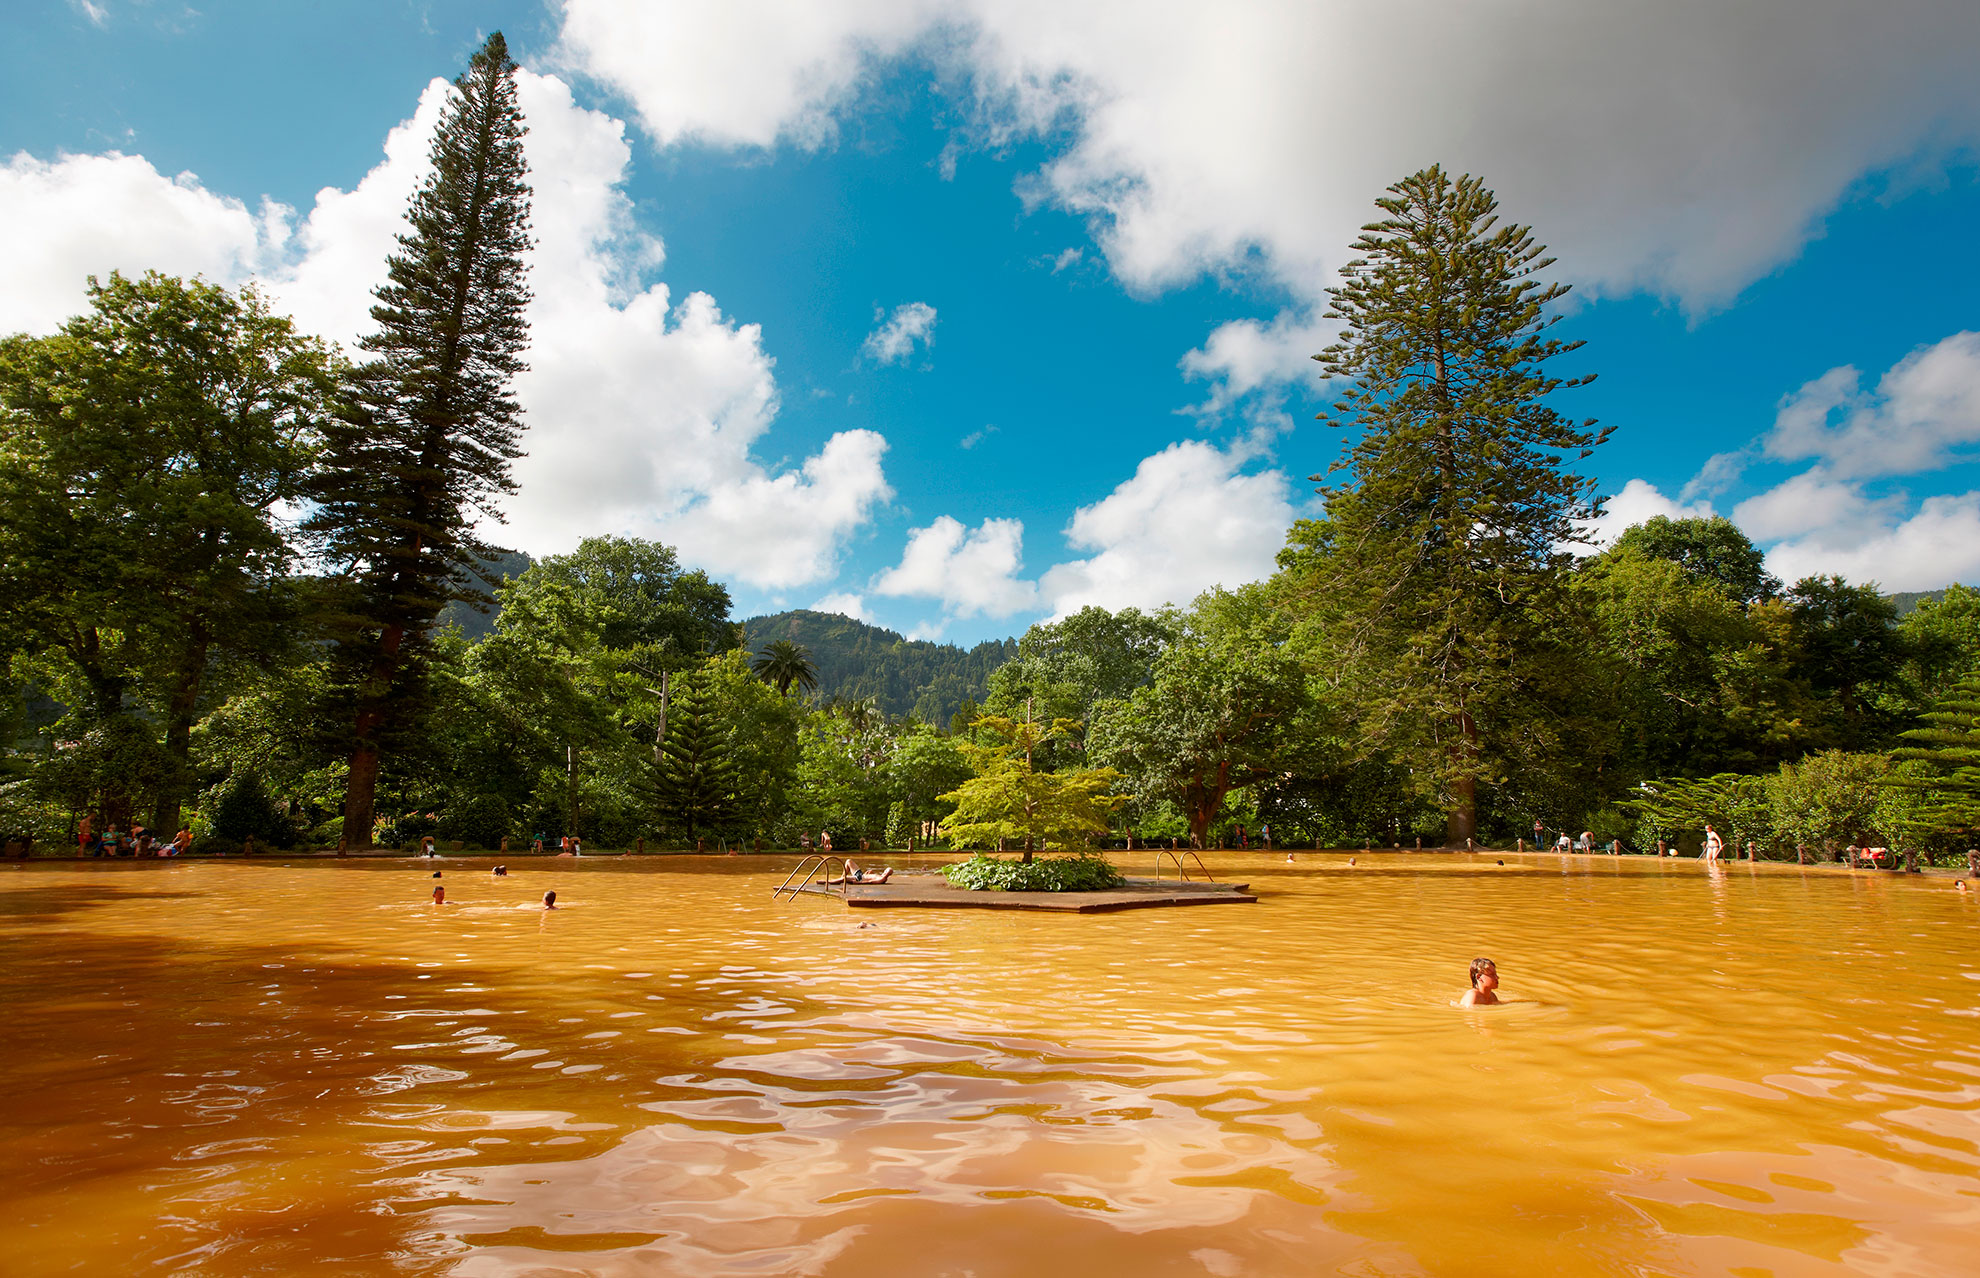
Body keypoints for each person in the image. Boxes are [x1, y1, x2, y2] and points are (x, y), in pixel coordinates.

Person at [827, 859, 892, 884]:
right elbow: (871, 879)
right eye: (886, 870)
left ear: (888, 874)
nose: (885, 872)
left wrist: (858, 883)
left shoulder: (882, 878)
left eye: (887, 872)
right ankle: (841, 878)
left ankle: (827, 882)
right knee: (848, 861)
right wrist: (869, 873)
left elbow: (870, 882)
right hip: (861, 875)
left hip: (859, 879)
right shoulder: (880, 876)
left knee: (844, 879)